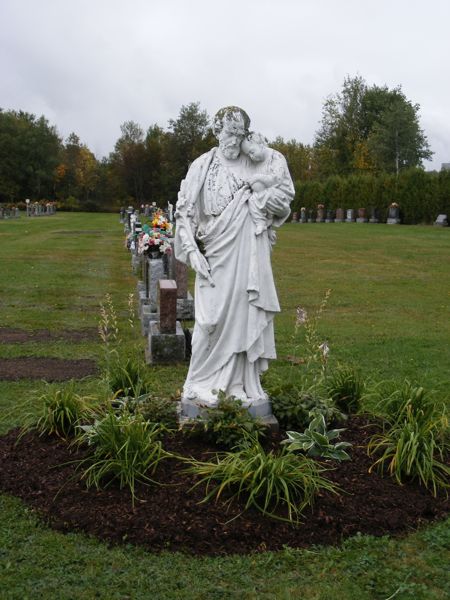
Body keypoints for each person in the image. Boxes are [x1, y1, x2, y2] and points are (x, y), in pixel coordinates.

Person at [174, 106, 294, 418]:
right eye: (229, 132)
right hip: (215, 255)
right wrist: (192, 252)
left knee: (246, 318)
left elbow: (281, 200)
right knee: (208, 322)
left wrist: (265, 203)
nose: (234, 139)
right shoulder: (203, 165)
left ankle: (241, 385)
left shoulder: (257, 163)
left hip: (249, 255)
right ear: (217, 131)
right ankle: (198, 383)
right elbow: (183, 212)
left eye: (240, 134)